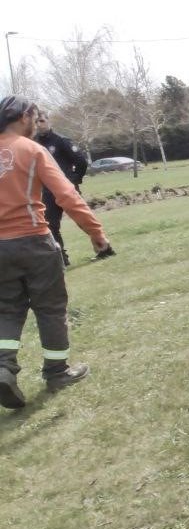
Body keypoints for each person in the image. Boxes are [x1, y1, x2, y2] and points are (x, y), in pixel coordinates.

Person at [0, 96, 111, 409]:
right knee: (50, 308)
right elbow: (67, 195)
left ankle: (3, 368)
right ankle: (57, 372)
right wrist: (96, 233)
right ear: (24, 117)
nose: (37, 123)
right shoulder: (32, 150)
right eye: (35, 117)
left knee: (7, 310)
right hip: (34, 241)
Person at [34, 111, 89, 266]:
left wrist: (74, 179)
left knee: (84, 220)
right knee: (51, 225)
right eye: (36, 122)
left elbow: (81, 161)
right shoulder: (33, 144)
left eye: (42, 121)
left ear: (48, 121)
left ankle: (103, 247)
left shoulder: (60, 140)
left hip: (67, 189)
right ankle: (62, 259)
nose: (39, 125)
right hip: (48, 192)